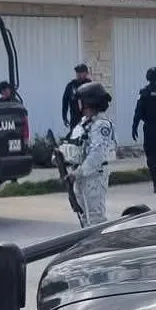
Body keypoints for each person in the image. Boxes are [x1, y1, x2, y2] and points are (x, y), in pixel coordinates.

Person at [61, 81, 116, 226]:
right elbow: (72, 143)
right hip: (79, 175)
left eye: (81, 101)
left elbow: (97, 154)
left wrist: (77, 173)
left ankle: (100, 247)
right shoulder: (84, 123)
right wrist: (60, 156)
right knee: (84, 217)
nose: (78, 105)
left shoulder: (101, 125)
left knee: (95, 217)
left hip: (94, 176)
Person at [61, 63, 91, 129]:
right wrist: (64, 117)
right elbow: (65, 102)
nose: (79, 74)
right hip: (75, 119)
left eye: (81, 72)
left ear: (86, 73)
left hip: (88, 119)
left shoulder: (91, 85)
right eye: (77, 72)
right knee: (74, 137)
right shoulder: (71, 86)